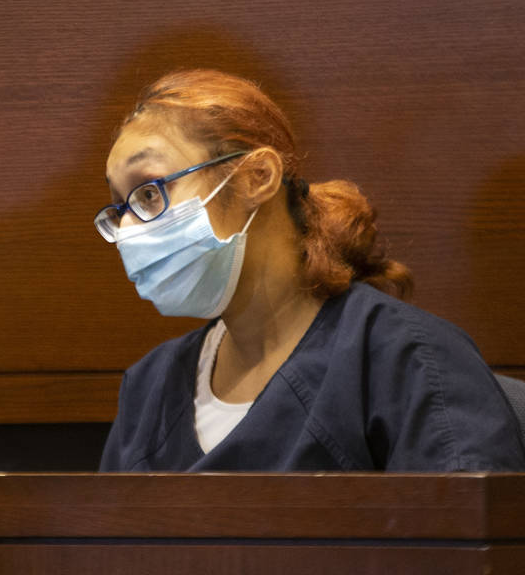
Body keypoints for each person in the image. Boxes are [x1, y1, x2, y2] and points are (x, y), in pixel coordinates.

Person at [95, 69, 524, 471]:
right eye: (120, 207)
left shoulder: (406, 359)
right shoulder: (151, 387)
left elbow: (468, 542)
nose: (129, 228)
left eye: (149, 193)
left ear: (256, 177)